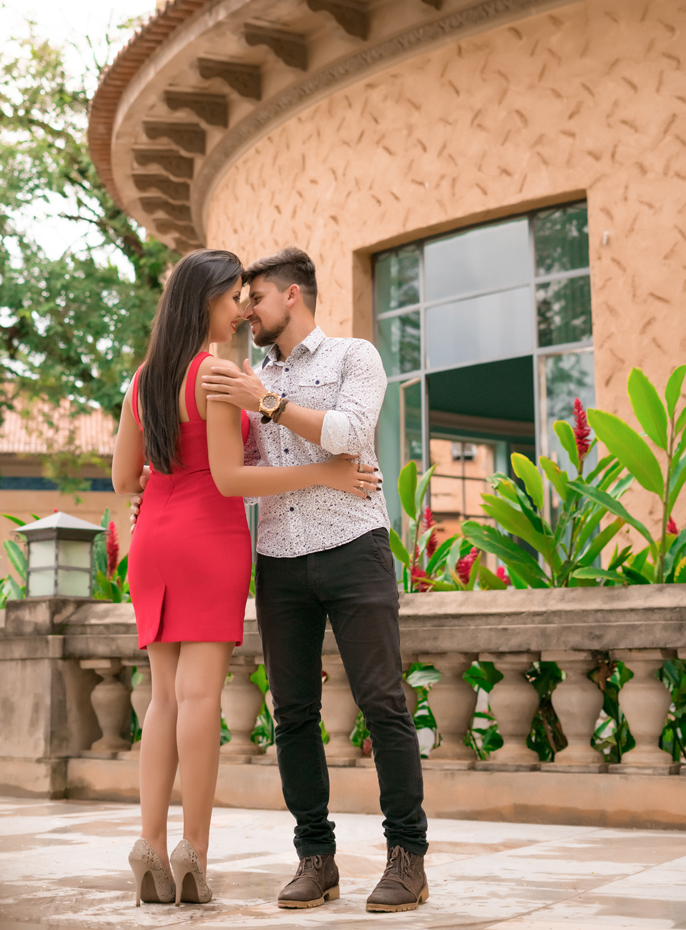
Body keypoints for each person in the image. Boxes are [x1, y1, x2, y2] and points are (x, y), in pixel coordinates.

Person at [112, 248, 379, 909]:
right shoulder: (216, 374)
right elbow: (231, 479)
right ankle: (193, 853)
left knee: (163, 699)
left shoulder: (142, 380)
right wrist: (325, 473)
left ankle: (149, 843)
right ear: (205, 300)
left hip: (154, 543)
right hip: (209, 539)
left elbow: (122, 480)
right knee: (200, 698)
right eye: (234, 296)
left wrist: (160, 484)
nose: (241, 309)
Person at [201, 246, 430, 915]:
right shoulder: (249, 379)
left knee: (382, 701)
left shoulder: (353, 357)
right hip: (278, 557)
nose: (247, 312)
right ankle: (315, 858)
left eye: (256, 299)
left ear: (292, 295)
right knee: (292, 713)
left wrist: (267, 402)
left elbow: (350, 434)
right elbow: (238, 468)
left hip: (355, 545)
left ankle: (408, 858)